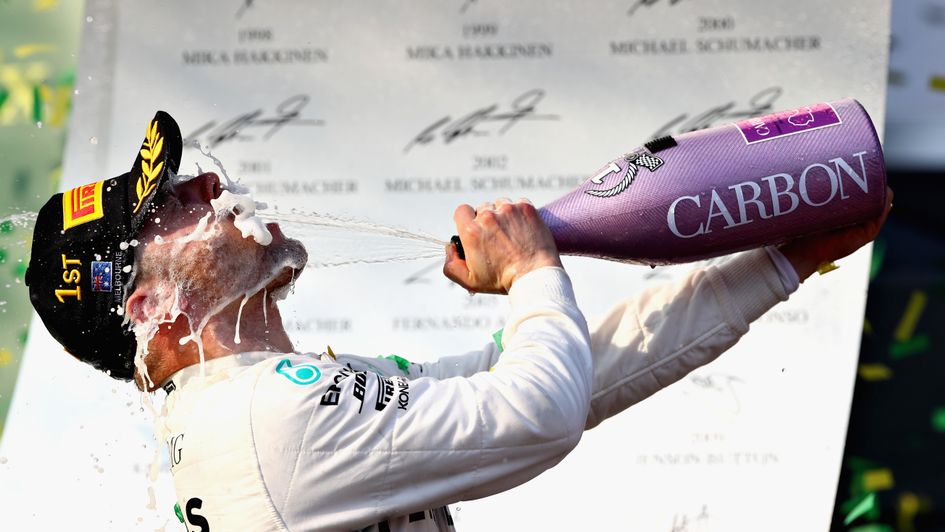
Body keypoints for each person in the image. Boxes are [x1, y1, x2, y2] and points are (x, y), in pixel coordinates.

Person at [27, 112, 892, 531]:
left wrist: (782, 262)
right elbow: (538, 416)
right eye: (168, 207)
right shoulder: (269, 418)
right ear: (146, 305)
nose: (208, 188)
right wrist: (528, 271)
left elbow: (563, 378)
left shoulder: (248, 406)